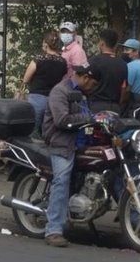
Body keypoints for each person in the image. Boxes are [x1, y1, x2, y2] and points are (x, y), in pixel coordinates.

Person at [42, 61, 101, 248]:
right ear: (85, 78)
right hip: (62, 143)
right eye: (93, 83)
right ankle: (53, 230)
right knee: (62, 179)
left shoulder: (83, 94)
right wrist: (89, 118)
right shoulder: (61, 91)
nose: (94, 88)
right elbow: (61, 120)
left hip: (81, 143)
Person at [21, 32, 67, 133]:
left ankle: (28, 148)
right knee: (48, 129)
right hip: (54, 98)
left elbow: (26, 79)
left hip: (36, 97)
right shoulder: (63, 62)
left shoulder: (38, 59)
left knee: (31, 129)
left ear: (46, 44)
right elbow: (63, 79)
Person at [87, 28, 128, 114]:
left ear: (102, 43)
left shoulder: (94, 61)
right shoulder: (123, 64)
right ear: (115, 45)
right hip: (115, 107)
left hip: (96, 106)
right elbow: (124, 88)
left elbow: (87, 83)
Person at [119, 38, 140, 118]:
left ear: (136, 52)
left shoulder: (131, 66)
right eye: (124, 50)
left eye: (127, 50)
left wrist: (120, 103)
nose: (124, 53)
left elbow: (126, 89)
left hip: (131, 106)